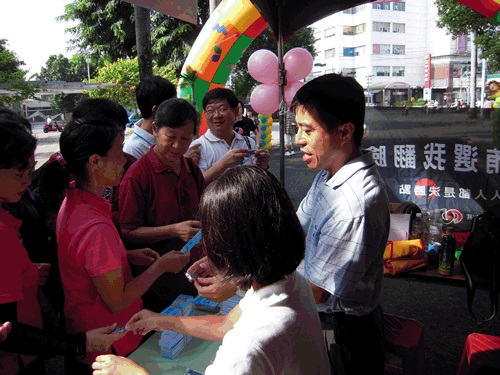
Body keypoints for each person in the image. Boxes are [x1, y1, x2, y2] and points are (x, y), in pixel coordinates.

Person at [92, 166, 331, 375]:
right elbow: (227, 324)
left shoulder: (247, 347)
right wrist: (161, 321)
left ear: (232, 250)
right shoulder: (287, 281)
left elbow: (237, 335)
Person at [57, 115, 191, 374]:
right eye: (119, 151)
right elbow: (117, 301)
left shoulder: (75, 200)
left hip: (86, 332)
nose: (124, 160)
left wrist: (125, 256)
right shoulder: (95, 227)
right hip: (109, 343)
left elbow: (87, 264)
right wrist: (160, 266)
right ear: (95, 161)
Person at [0, 120, 125, 375]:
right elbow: (8, 330)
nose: (27, 181)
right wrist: (79, 343)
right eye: (19, 172)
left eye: (31, 169)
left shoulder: (67, 205)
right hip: (17, 362)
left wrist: (25, 272)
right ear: (95, 161)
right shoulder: (90, 221)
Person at [291, 73, 390, 375]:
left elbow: (316, 293)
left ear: (345, 132)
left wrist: (247, 285)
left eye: (308, 130)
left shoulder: (353, 204)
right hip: (316, 314)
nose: (298, 140)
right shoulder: (329, 172)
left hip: (341, 332)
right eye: (297, 128)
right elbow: (296, 226)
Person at [117, 98, 205, 312]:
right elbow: (126, 231)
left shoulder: (190, 168)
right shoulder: (137, 176)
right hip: (157, 281)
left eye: (185, 139)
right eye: (171, 137)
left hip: (193, 271)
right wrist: (173, 230)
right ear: (155, 130)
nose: (177, 146)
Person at [190, 88, 270, 185]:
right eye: (210, 110)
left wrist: (263, 166)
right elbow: (195, 187)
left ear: (236, 111)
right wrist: (222, 165)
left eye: (222, 109)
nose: (216, 115)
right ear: (205, 114)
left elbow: (257, 181)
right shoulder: (198, 147)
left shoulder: (248, 142)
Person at [123, 76, 177, 160]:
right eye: (172, 106)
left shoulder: (167, 136)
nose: (175, 112)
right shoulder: (133, 149)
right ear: (156, 110)